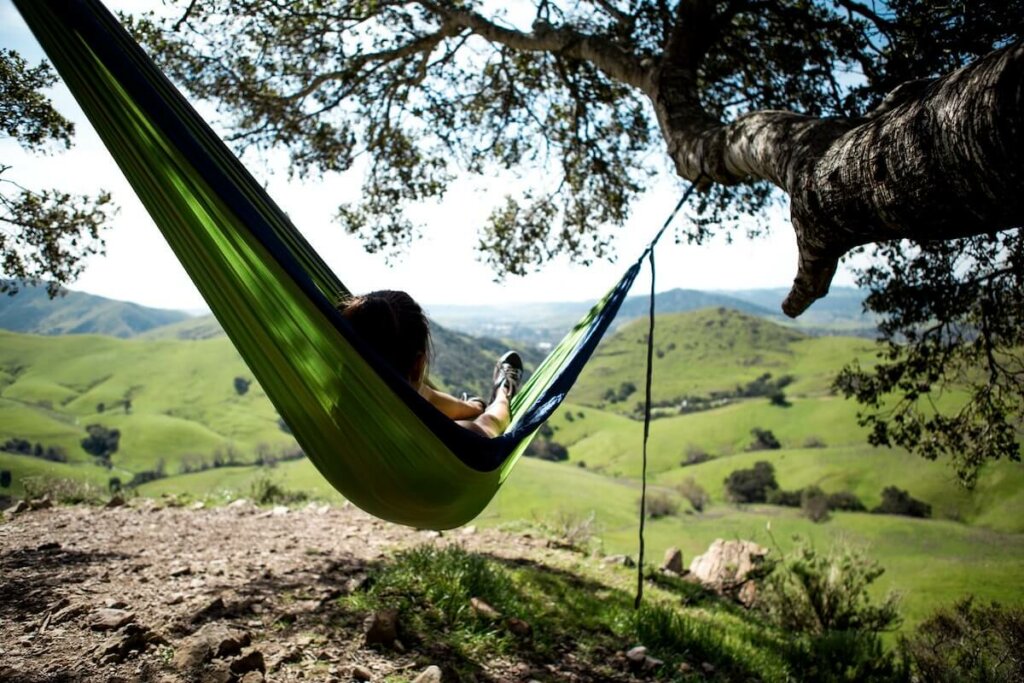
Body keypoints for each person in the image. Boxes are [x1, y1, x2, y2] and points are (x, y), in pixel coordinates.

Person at [338, 290, 523, 438]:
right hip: (433, 457)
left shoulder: (333, 408)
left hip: (356, 470)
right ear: (418, 365)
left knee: (416, 394)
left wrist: (475, 407)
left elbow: (427, 397)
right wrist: (499, 399)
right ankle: (504, 389)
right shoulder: (458, 441)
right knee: (491, 416)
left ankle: (474, 406)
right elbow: (495, 422)